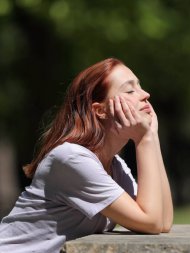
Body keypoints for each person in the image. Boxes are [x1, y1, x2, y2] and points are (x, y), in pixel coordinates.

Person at [0, 58, 173, 253]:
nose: (145, 95)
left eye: (140, 86)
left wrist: (152, 137)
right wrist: (144, 140)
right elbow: (152, 222)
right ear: (100, 110)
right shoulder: (71, 159)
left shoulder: (114, 165)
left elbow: (163, 221)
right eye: (130, 90)